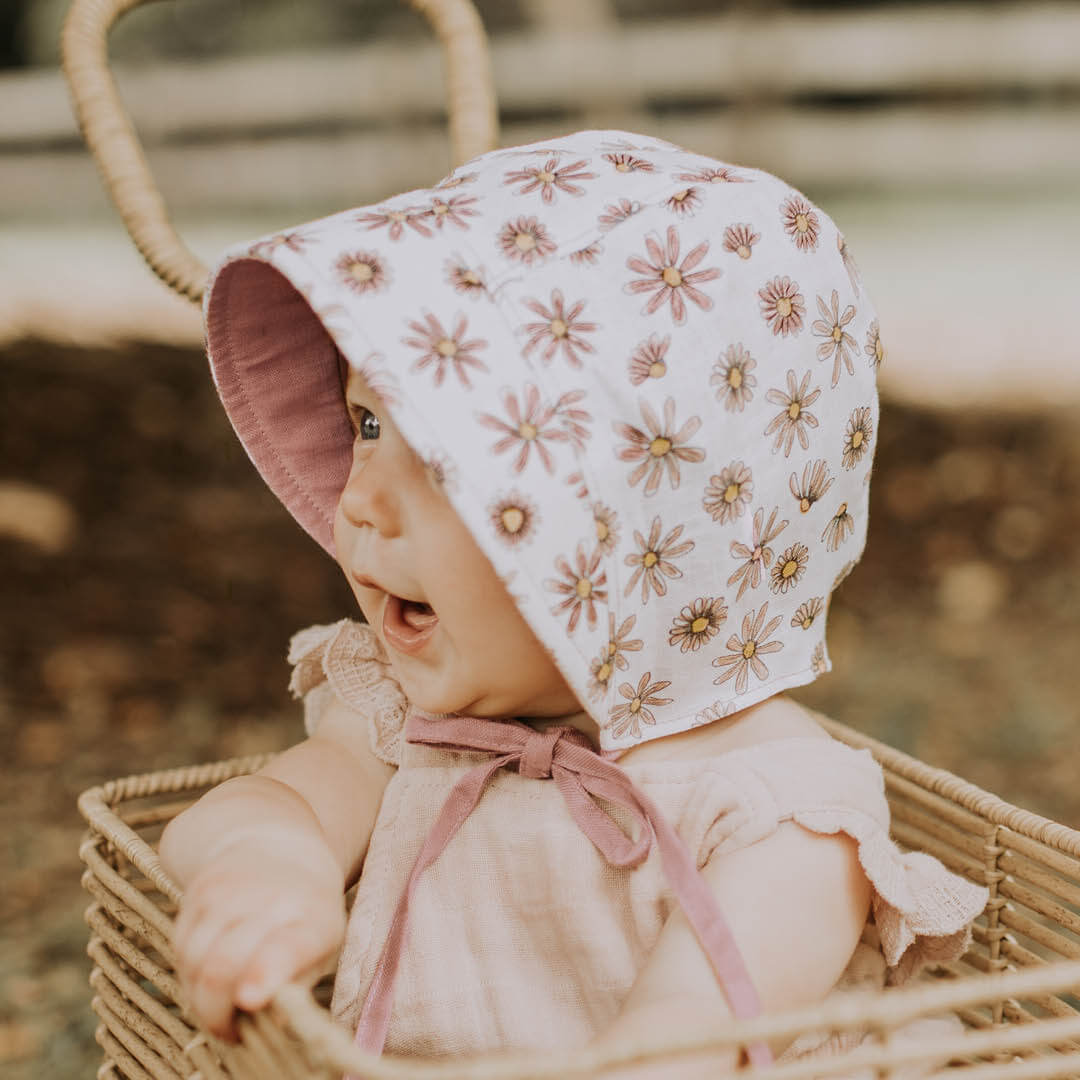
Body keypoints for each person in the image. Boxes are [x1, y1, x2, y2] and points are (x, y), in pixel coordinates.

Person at [159, 130, 987, 1071]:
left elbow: (683, 1044)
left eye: (443, 461)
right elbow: (278, 802)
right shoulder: (399, 716)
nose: (357, 500)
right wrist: (270, 864)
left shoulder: (780, 810)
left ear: (636, 535)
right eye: (366, 424)